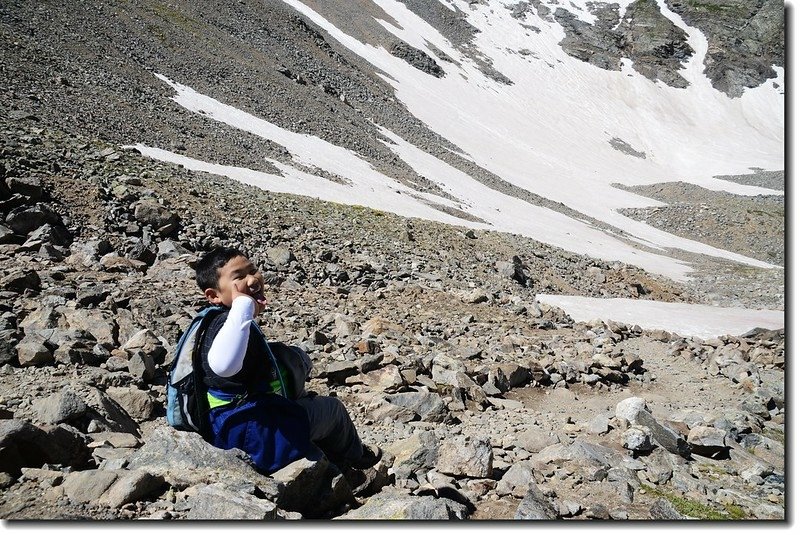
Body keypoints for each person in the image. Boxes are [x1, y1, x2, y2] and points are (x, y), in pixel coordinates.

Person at [194, 246, 382, 472]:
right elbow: (224, 366)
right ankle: (355, 463)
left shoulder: (211, 322)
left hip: (232, 422)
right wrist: (244, 305)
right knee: (333, 410)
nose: (253, 279)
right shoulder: (228, 324)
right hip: (248, 432)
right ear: (213, 295)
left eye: (252, 270)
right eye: (239, 277)